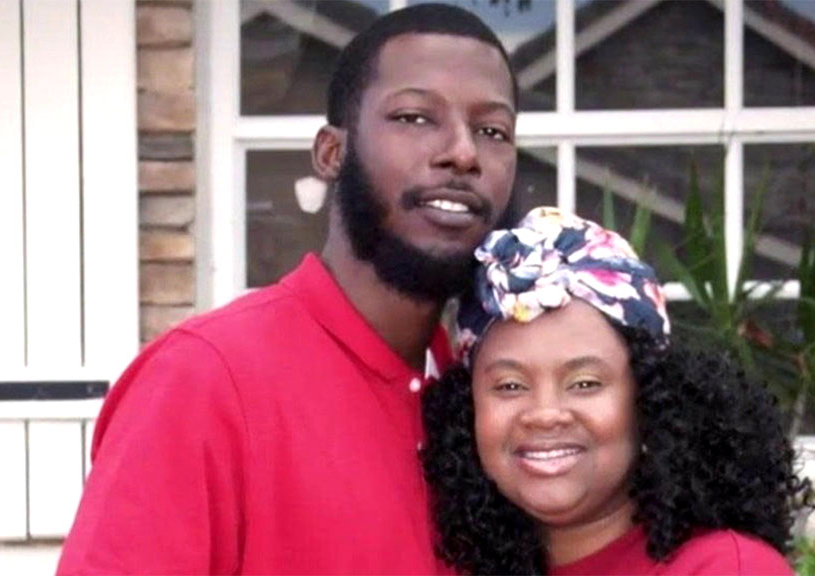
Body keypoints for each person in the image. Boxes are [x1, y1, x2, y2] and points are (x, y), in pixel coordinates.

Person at [58, 4, 519, 574]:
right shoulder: (204, 381)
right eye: (415, 117)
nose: (464, 152)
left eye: (492, 131)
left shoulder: (489, 400)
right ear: (331, 153)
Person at [422, 207, 810, 575]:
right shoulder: (452, 564)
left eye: (585, 383)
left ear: (651, 399)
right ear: (467, 410)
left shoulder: (724, 568)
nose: (545, 414)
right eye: (510, 385)